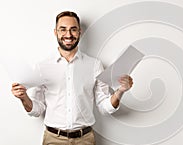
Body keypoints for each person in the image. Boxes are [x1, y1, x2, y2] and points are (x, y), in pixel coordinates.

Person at [11, 11, 133, 145]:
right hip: (53, 139)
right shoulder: (42, 67)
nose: (68, 35)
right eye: (63, 29)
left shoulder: (94, 65)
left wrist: (120, 90)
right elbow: (36, 110)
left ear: (79, 32)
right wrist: (23, 97)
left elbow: (104, 106)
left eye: (73, 29)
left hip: (85, 139)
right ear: (55, 32)